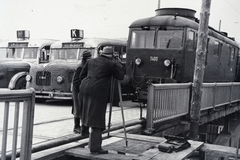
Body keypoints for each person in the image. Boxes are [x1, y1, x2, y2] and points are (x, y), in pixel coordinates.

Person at [78, 46, 124, 154]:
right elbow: (120, 76)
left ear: (101, 53)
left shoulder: (91, 61)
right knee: (97, 120)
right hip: (98, 92)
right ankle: (95, 147)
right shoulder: (110, 63)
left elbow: (81, 76)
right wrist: (118, 63)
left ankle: (88, 138)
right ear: (112, 55)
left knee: (88, 115)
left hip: (85, 89)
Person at [71, 50, 92, 134]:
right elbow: (76, 81)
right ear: (86, 58)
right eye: (90, 57)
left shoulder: (85, 65)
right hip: (77, 90)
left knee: (81, 107)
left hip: (80, 89)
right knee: (78, 107)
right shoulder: (81, 66)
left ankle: (80, 126)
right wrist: (81, 89)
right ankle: (76, 127)